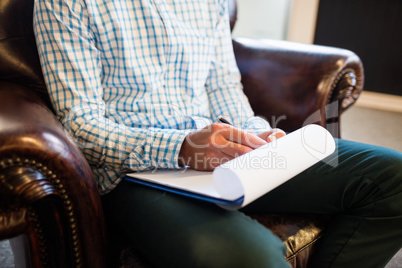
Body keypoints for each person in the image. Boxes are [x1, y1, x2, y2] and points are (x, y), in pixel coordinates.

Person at [33, 0, 402, 267]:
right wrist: (179, 148)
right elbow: (79, 124)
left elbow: (223, 85)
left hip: (230, 153)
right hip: (137, 173)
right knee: (250, 260)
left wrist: (259, 134)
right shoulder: (64, 3)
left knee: (394, 178)